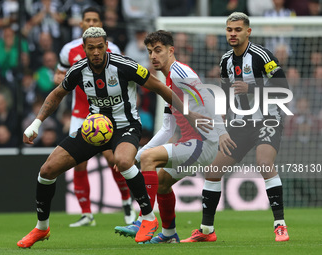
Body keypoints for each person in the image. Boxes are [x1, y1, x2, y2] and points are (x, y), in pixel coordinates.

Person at [17, 27, 209, 248]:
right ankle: (42, 228)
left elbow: (157, 86)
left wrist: (188, 112)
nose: (96, 52)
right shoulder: (78, 69)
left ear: (106, 46)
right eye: (91, 48)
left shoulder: (124, 66)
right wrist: (36, 123)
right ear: (85, 49)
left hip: (125, 127)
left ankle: (147, 218)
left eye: (100, 47)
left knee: (124, 161)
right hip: (94, 129)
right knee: (46, 171)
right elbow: (57, 93)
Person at [114, 30, 232, 243]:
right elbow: (167, 129)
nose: (153, 56)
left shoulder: (180, 72)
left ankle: (144, 220)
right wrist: (136, 156)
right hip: (195, 143)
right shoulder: (168, 81)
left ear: (171, 51)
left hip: (202, 142)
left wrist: (222, 132)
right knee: (161, 184)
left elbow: (208, 99)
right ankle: (169, 235)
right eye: (150, 52)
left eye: (158, 51)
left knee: (150, 159)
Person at [181, 12, 290, 242]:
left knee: (264, 162)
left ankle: (280, 225)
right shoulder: (225, 61)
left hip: (267, 119)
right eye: (230, 29)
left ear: (248, 32)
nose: (233, 33)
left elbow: (283, 89)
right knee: (212, 172)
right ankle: (207, 231)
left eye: (238, 30)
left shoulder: (262, 56)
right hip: (240, 123)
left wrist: (251, 90)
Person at [54, 6, 136, 227]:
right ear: (81, 24)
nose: (91, 23)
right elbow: (59, 72)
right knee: (79, 163)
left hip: (106, 114)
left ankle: (127, 203)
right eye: (87, 20)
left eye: (95, 20)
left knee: (112, 160)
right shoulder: (68, 50)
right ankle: (86, 214)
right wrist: (59, 79)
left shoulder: (113, 49)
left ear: (101, 24)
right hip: (80, 113)